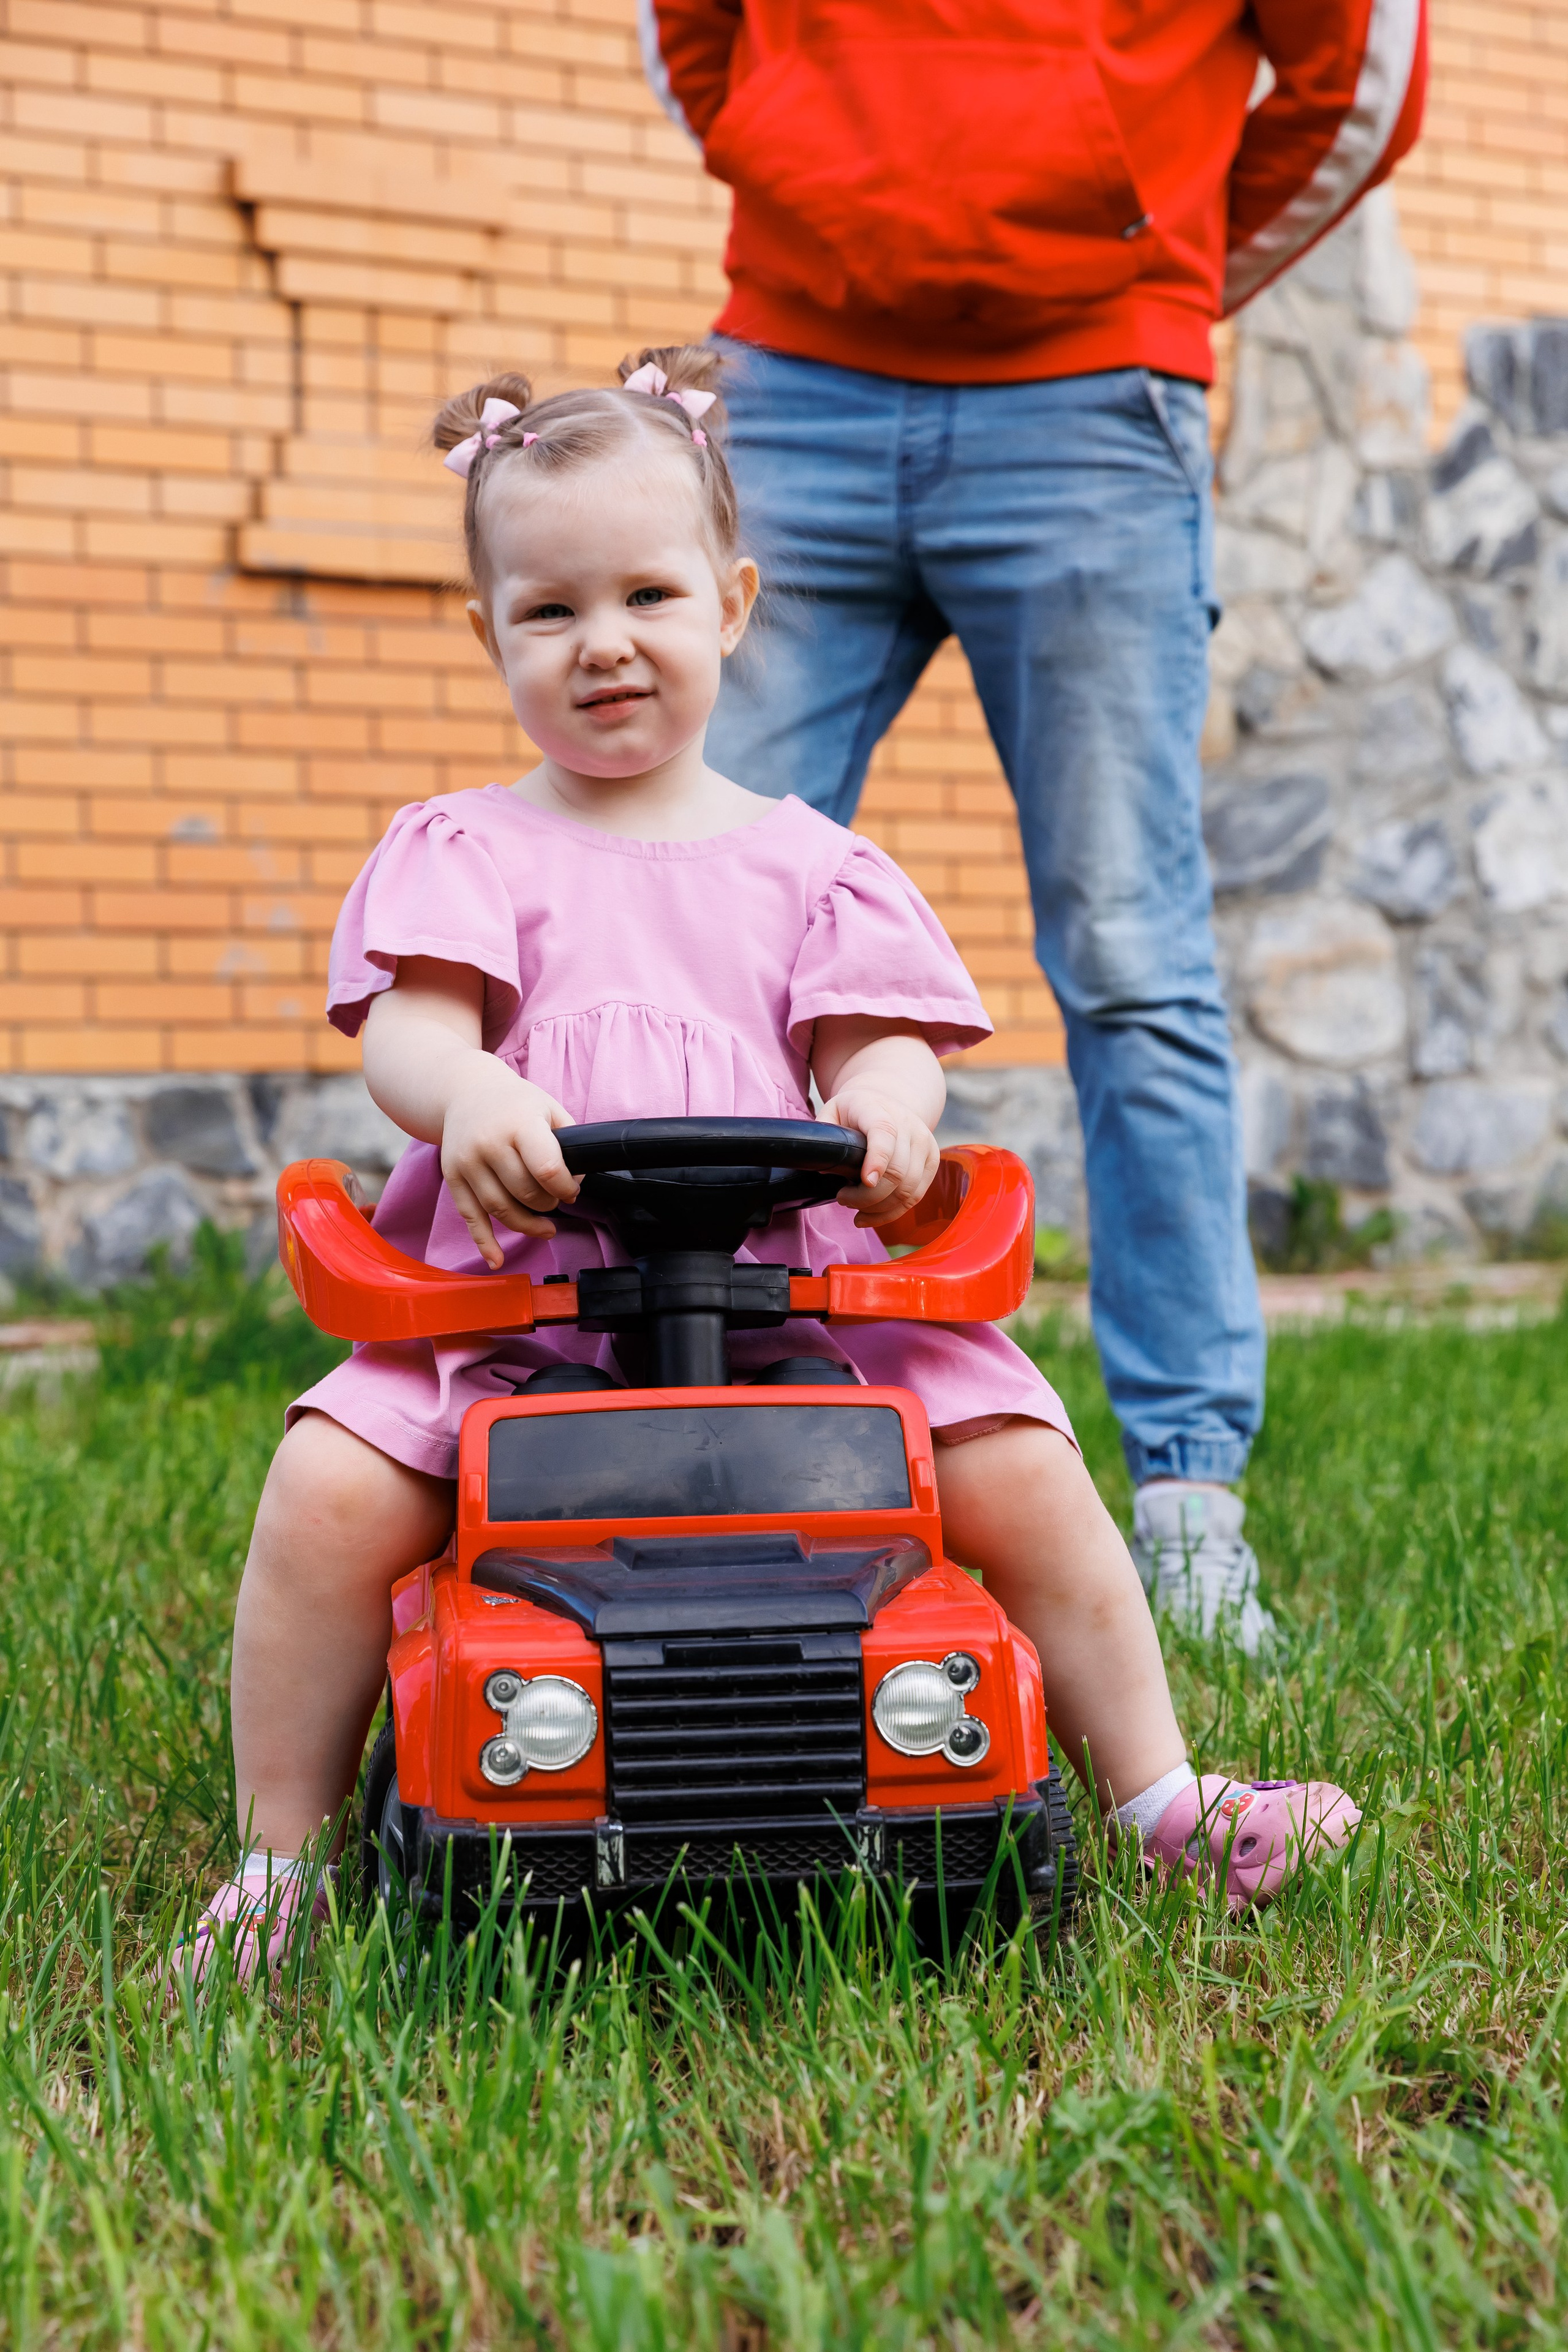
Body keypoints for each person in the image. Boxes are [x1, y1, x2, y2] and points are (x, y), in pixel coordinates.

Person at [175, 352, 1359, 1975]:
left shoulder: (818, 872)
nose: (605, 642)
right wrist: (461, 1093)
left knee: (1018, 1449)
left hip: (804, 1316)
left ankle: (1161, 1796)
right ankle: (284, 1863)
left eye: (649, 593)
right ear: (486, 637)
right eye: (550, 611)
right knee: (325, 1483)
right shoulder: (467, 850)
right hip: (518, 1325)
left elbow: (874, 1047)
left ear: (733, 605)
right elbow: (405, 1033)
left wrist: (889, 1106)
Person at [638, 0, 1428, 1646]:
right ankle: (650, 1435)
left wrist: (1164, 260)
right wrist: (821, 200)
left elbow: (1368, 79)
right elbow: (690, 36)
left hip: (1091, 405)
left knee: (1134, 961)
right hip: (797, 380)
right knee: (676, 923)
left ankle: (1191, 1502)